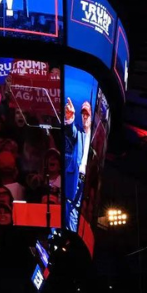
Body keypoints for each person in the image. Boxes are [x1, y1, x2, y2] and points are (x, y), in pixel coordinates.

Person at [64, 98, 92, 230]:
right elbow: (71, 132)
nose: (84, 116)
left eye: (87, 114)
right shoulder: (79, 132)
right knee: (71, 207)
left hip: (87, 181)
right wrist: (69, 118)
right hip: (76, 177)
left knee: (80, 209)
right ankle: (70, 231)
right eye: (83, 114)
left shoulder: (94, 136)